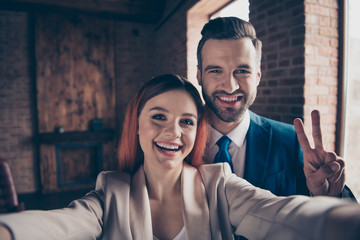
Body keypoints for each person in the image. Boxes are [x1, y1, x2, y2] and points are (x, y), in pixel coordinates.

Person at [0, 74, 360, 240]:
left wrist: (340, 216)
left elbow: (281, 216)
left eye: (186, 122)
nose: (173, 133)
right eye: (158, 117)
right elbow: (60, 226)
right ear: (136, 127)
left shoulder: (221, 185)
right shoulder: (110, 193)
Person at [196, 17, 356, 199]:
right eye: (216, 71)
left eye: (242, 71)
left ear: (257, 76)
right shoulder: (180, 140)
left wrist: (328, 197)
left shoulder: (289, 141)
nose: (230, 86)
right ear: (199, 76)